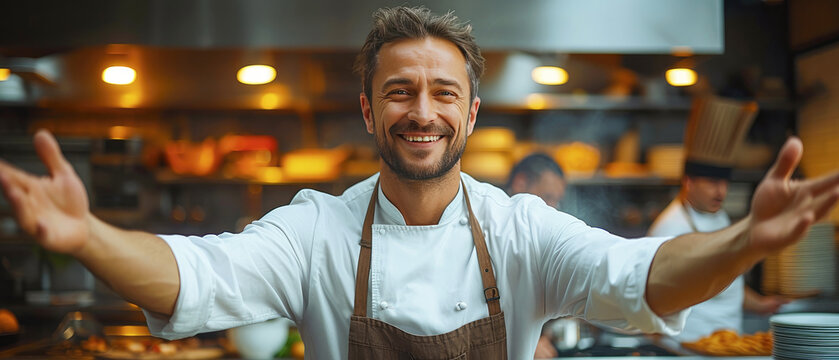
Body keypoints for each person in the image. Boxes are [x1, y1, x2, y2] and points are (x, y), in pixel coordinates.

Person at [1, 7, 838, 360]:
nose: (421, 112)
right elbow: (198, 274)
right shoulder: (314, 229)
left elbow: (640, 276)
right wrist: (86, 238)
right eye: (400, 91)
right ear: (369, 110)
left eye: (443, 93)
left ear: (470, 114)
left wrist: (744, 241)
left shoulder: (521, 229)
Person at [648, 96, 791, 343]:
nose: (722, 192)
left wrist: (761, 303)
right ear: (689, 182)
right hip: (685, 350)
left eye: (725, 183)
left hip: (727, 345)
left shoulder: (719, 216)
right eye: (713, 182)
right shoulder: (669, 228)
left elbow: (727, 282)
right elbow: (652, 299)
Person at [504, 153, 566, 358]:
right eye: (548, 197)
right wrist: (526, 343)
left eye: (557, 201)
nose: (553, 210)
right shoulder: (492, 230)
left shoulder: (537, 235)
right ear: (520, 183)